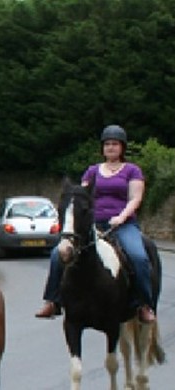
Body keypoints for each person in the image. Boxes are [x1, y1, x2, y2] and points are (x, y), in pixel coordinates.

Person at [35, 124, 156, 323]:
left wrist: (121, 217)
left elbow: (135, 198)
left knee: (138, 257)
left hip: (122, 225)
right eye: (107, 144)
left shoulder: (132, 170)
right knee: (58, 253)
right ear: (102, 148)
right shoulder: (92, 171)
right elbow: (81, 196)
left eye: (115, 144)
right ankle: (52, 301)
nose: (110, 147)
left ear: (122, 147)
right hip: (95, 225)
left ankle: (143, 305)